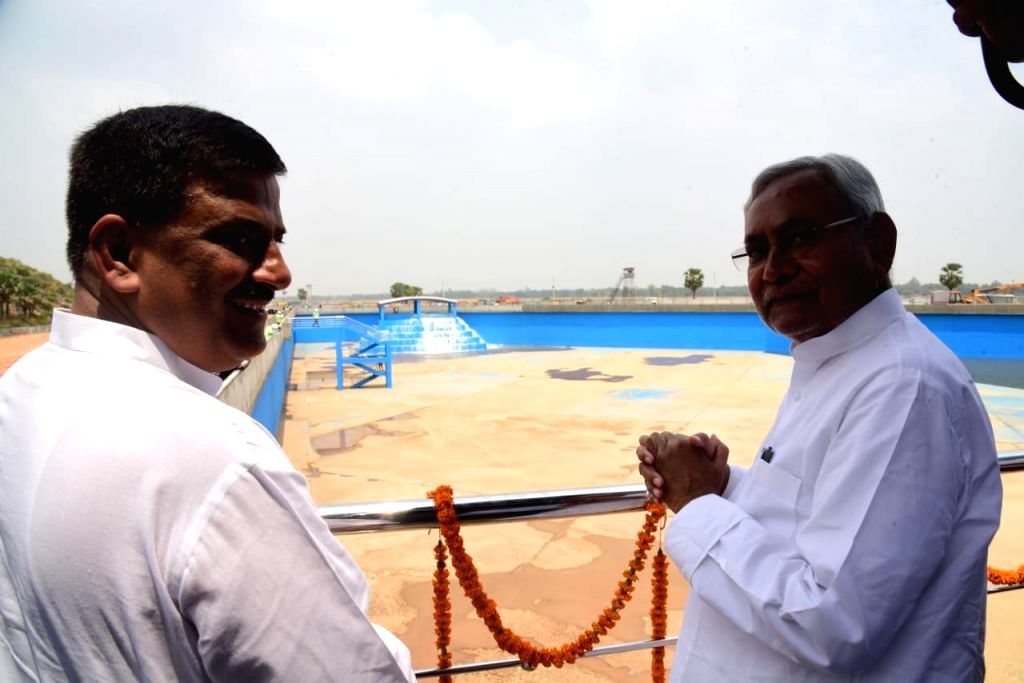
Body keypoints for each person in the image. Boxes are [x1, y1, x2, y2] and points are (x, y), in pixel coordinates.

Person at [0, 105, 414, 681]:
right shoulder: (214, 458)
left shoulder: (22, 391)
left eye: (277, 240)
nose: (279, 271)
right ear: (118, 254)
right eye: (241, 238)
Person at [637, 154, 1002, 681]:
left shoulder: (903, 387)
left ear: (877, 245)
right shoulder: (837, 359)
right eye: (757, 251)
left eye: (801, 238)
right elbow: (809, 520)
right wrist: (725, 486)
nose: (774, 269)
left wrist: (694, 503)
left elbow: (831, 625)